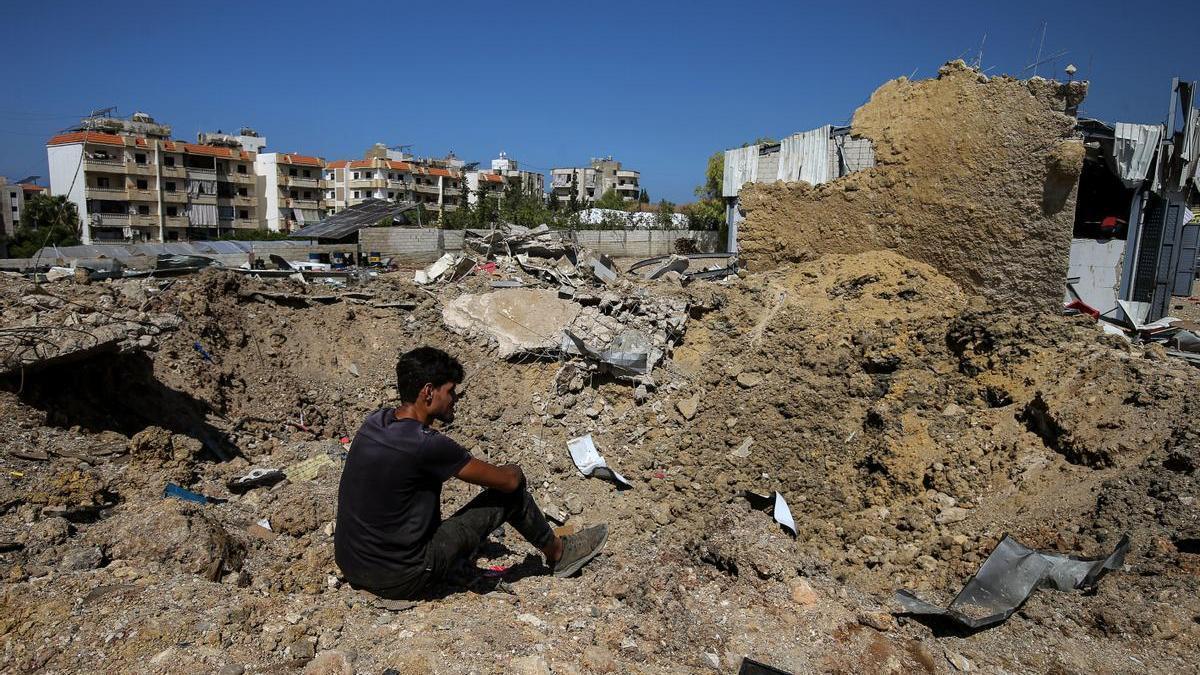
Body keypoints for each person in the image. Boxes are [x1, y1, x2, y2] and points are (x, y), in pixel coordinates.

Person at [335, 346, 608, 599]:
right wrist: (515, 470)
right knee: (512, 496)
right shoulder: (427, 444)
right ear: (428, 392)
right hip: (401, 576)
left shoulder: (375, 422)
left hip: (352, 563)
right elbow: (508, 482)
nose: (455, 398)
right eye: (450, 391)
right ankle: (559, 554)